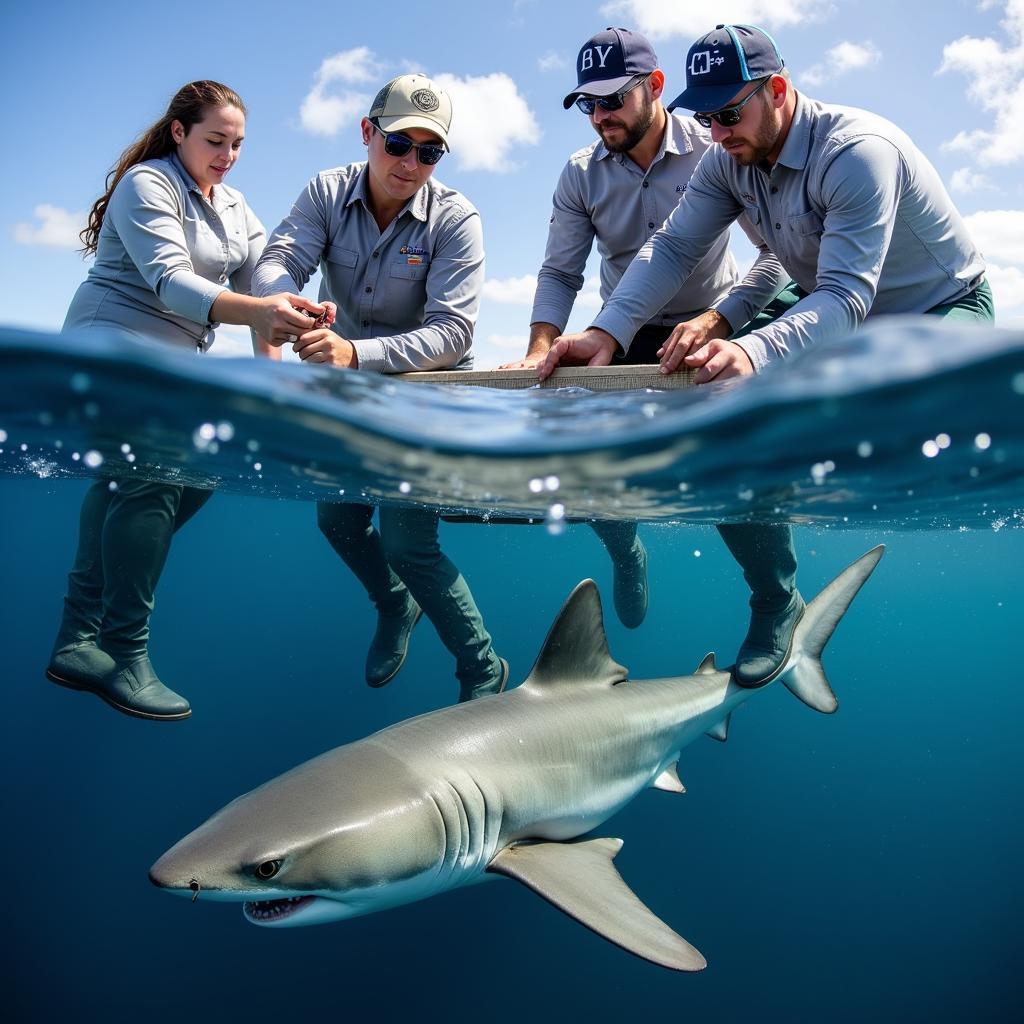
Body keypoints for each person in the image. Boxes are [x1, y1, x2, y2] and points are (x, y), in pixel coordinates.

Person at [538, 23, 993, 687]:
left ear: (777, 90)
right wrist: (606, 332)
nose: (716, 135)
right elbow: (671, 249)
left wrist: (751, 348)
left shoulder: (857, 152)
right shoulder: (727, 157)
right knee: (715, 412)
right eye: (705, 117)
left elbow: (846, 296)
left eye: (729, 114)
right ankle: (779, 598)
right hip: (825, 298)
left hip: (936, 309)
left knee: (905, 421)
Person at [509, 26, 799, 674]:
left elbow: (777, 255)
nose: (601, 115)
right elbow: (560, 273)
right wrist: (539, 348)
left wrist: (722, 319)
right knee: (585, 457)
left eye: (613, 98)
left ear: (656, 86)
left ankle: (777, 599)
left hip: (717, 317)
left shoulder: (716, 145)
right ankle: (623, 549)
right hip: (626, 325)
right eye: (588, 103)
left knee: (729, 459)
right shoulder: (578, 175)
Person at [48, 80, 330, 721]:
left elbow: (266, 292)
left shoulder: (233, 206)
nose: (228, 154)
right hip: (106, 352)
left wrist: (287, 347)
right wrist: (264, 309)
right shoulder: (147, 184)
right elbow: (173, 284)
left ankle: (77, 638)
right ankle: (123, 652)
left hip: (171, 372)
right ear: (179, 132)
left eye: (238, 144)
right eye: (215, 140)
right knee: (151, 481)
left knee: (186, 475)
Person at [252, 74, 508, 704]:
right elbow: (277, 261)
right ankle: (395, 605)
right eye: (399, 144)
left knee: (407, 541)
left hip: (426, 397)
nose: (411, 163)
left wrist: (355, 353)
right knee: (336, 519)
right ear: (367, 133)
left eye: (430, 152)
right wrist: (278, 298)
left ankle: (483, 669)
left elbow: (453, 334)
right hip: (351, 392)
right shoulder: (324, 191)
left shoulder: (458, 219)